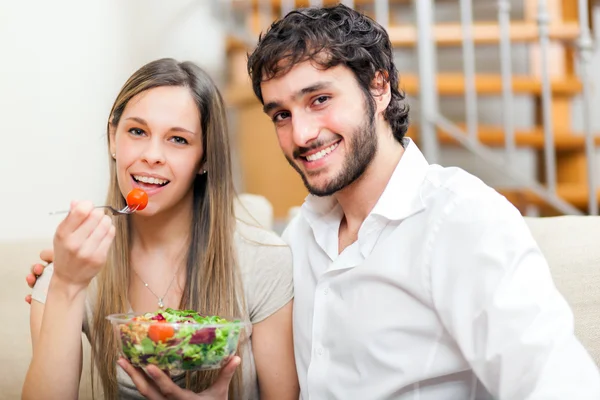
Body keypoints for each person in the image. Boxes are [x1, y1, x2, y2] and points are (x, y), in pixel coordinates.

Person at [244, 4, 600, 399]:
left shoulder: (460, 218)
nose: (301, 135)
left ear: (378, 88)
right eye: (281, 115)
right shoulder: (301, 234)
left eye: (319, 99)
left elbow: (558, 384)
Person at [22, 58, 299, 400]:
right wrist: (65, 284)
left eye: (178, 140)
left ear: (206, 158)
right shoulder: (72, 268)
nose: (152, 155)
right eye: (137, 132)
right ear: (113, 138)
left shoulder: (263, 261)